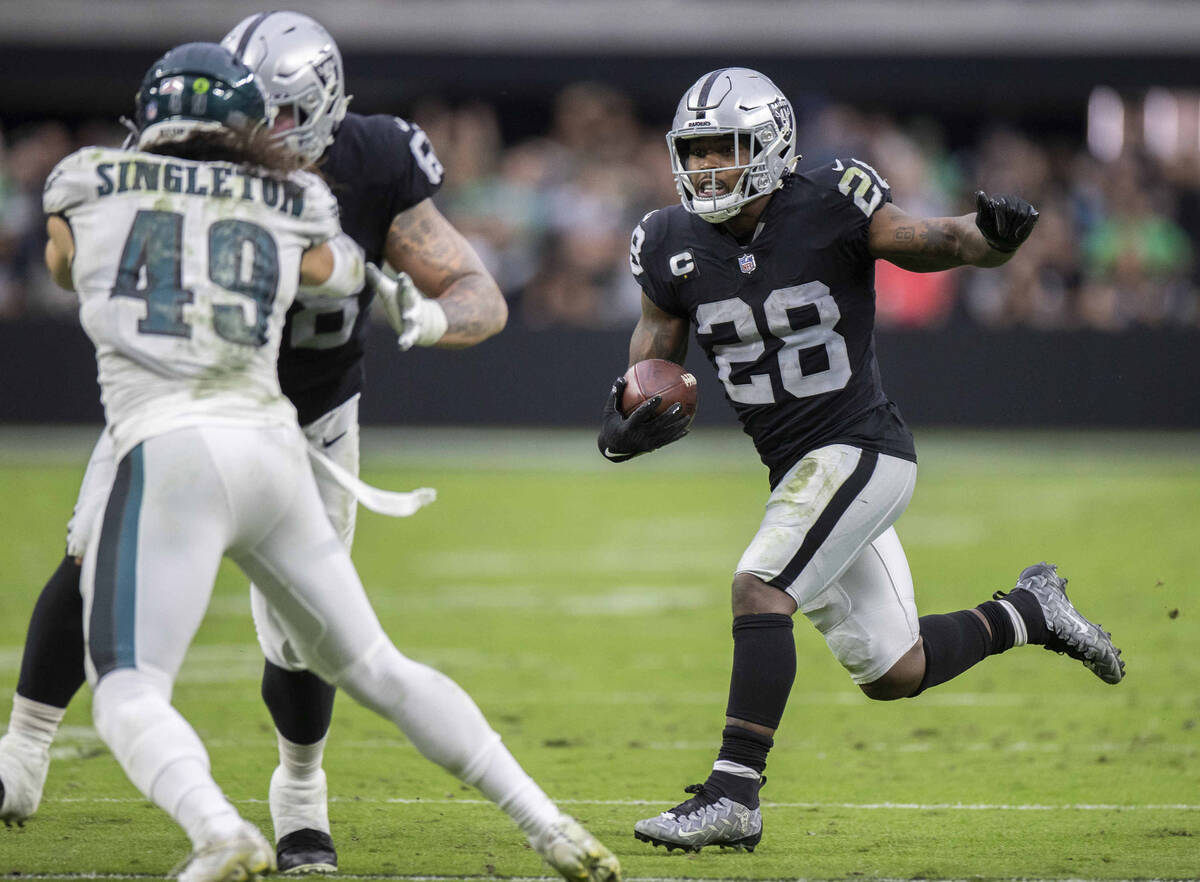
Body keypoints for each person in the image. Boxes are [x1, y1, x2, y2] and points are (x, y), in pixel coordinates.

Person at [37, 41, 621, 882]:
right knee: (378, 663)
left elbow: (64, 264)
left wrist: (427, 314)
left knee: (131, 684)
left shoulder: (96, 177)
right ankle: (548, 821)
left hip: (184, 437)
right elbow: (339, 267)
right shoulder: (301, 198)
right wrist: (389, 296)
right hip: (273, 444)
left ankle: (220, 828)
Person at [597, 67, 1125, 853]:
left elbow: (939, 240)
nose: (707, 169)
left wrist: (994, 238)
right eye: (697, 154)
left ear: (771, 148)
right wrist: (621, 426)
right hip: (800, 473)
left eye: (725, 151)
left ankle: (734, 791)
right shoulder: (668, 243)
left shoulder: (830, 199)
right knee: (895, 671)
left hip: (861, 447)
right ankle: (1031, 613)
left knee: (759, 587)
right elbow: (650, 369)